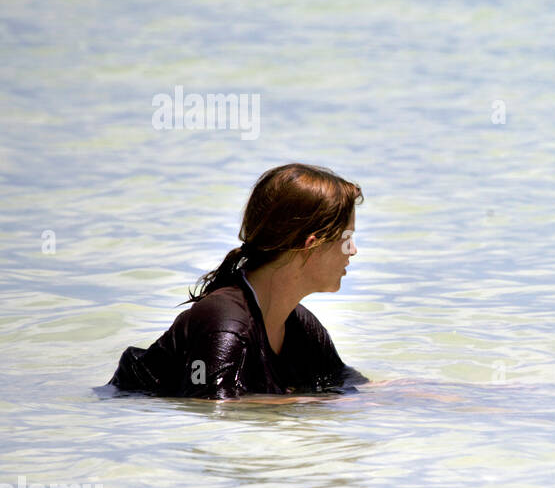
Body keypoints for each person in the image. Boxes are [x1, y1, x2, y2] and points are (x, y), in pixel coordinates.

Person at [105, 163, 369, 399]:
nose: (353, 250)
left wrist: (404, 393)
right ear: (310, 247)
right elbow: (211, 407)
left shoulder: (298, 326)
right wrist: (302, 404)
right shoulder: (224, 324)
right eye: (347, 239)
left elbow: (344, 384)